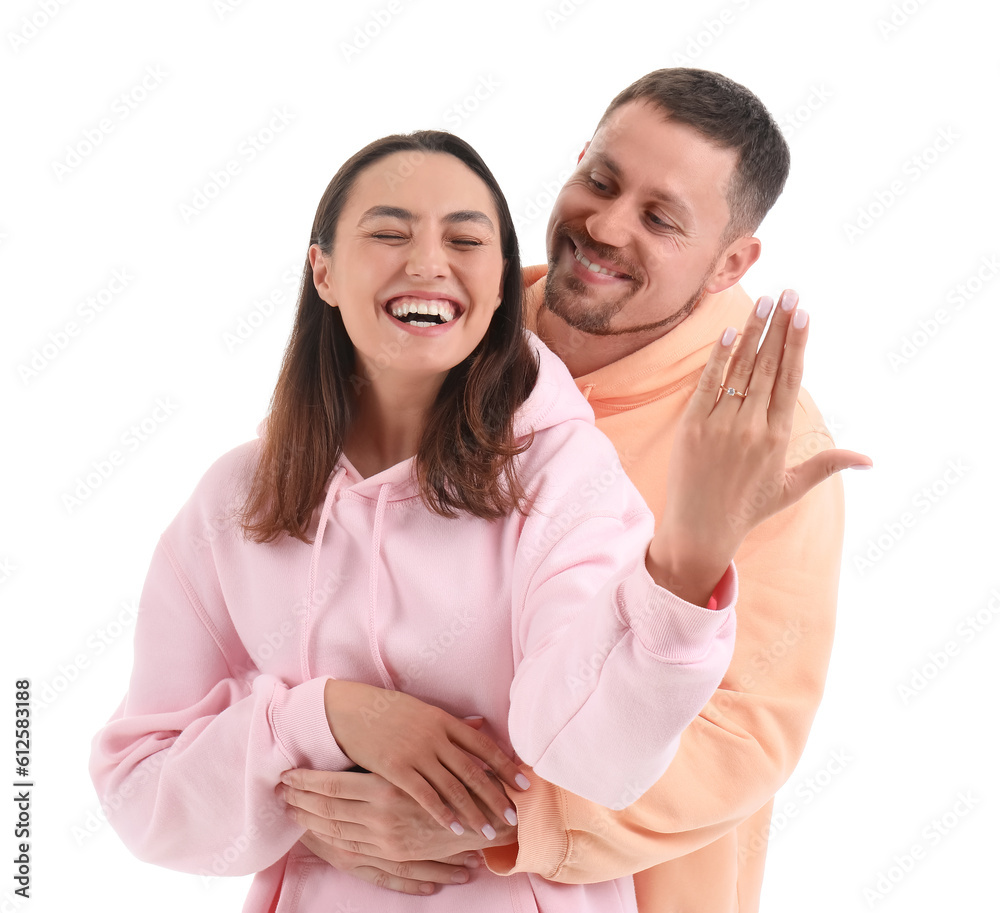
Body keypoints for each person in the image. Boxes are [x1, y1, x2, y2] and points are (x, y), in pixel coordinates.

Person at [281, 69, 862, 912]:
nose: (606, 225)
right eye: (600, 180)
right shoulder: (442, 324)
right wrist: (322, 740)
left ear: (731, 259)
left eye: (661, 218)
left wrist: (499, 816)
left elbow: (746, 731)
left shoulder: (765, 437)